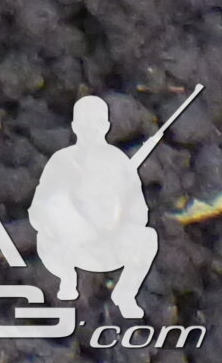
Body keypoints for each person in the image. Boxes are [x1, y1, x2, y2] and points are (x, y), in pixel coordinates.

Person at [30, 96, 161, 317]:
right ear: (75, 126)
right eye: (85, 122)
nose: (91, 129)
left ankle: (125, 294)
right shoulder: (63, 160)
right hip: (70, 243)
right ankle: (68, 280)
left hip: (109, 242)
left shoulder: (118, 162)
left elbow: (139, 211)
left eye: (97, 122)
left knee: (147, 239)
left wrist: (116, 212)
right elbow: (40, 207)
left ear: (107, 126)